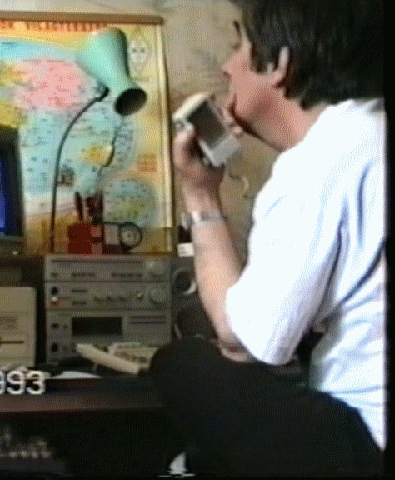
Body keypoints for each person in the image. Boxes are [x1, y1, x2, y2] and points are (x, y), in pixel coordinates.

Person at [149, 0, 385, 476]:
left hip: (367, 444)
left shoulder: (318, 162)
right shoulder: (366, 131)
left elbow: (245, 342)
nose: (226, 66)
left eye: (239, 46)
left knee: (180, 363)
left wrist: (201, 194)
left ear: (280, 64)